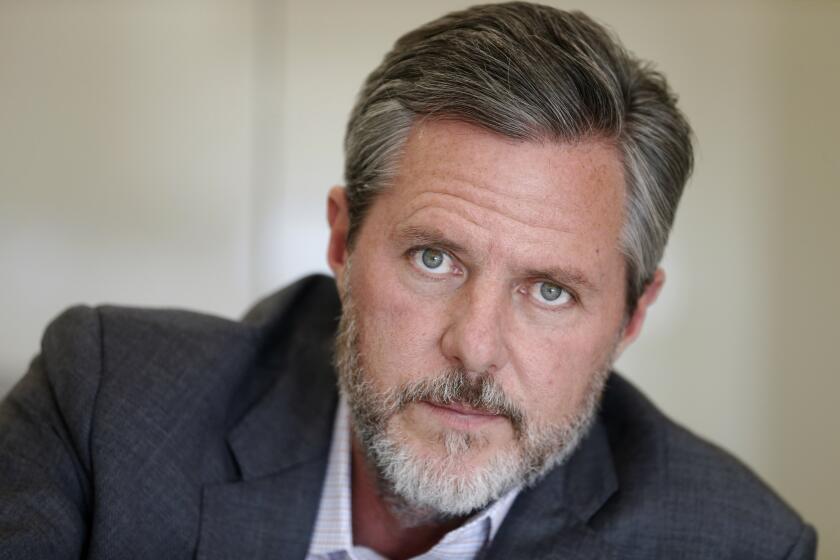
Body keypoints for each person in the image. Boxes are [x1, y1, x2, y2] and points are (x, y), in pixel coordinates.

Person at [0, 3, 816, 559]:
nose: (476, 347)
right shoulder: (106, 405)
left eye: (551, 291)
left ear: (633, 316)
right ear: (344, 240)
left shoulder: (734, 541)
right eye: (435, 259)